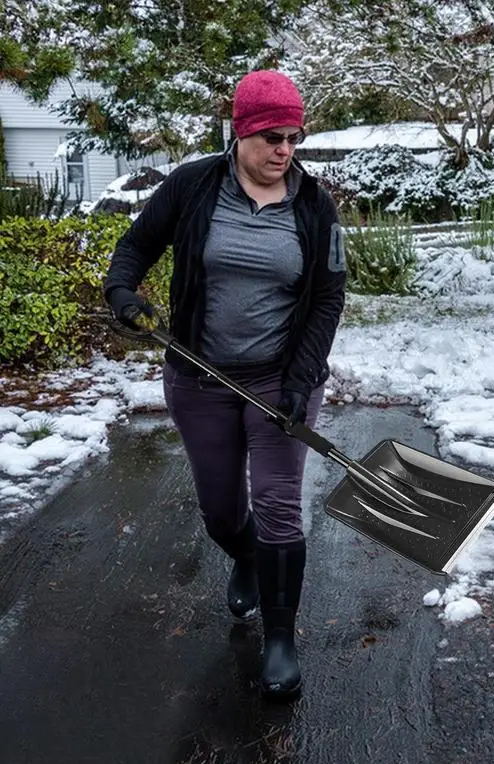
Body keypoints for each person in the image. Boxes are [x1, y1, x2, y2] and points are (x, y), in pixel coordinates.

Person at [104, 70, 347, 700]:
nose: (284, 149)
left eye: (293, 136)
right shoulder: (192, 186)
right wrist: (123, 291)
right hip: (200, 376)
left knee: (277, 507)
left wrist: (301, 379)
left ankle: (280, 639)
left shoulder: (314, 205)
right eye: (271, 136)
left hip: (279, 380)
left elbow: (327, 299)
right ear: (240, 133)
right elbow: (135, 247)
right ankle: (242, 555)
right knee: (220, 513)